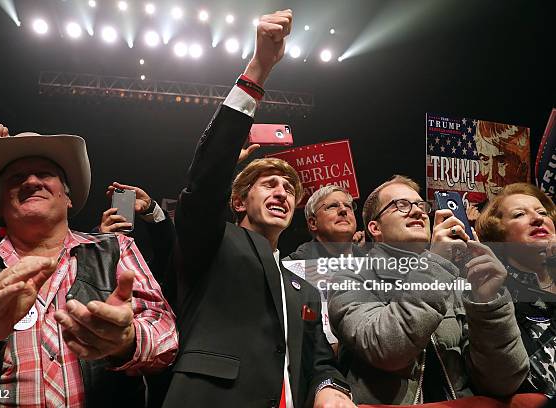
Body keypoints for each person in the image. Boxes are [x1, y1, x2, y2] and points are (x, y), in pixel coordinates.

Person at [163, 10, 355, 408]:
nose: (283, 193)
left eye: (289, 188)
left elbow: (320, 362)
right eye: (269, 184)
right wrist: (259, 69)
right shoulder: (211, 242)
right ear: (237, 201)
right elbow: (205, 181)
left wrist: (330, 389)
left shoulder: (303, 288)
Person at [0, 133, 178, 406]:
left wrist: (126, 341)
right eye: (16, 178)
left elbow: (166, 338)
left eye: (45, 174)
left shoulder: (117, 248)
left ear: (68, 198)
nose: (31, 181)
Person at [328, 175, 528, 404]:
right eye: (400, 205)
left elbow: (504, 381)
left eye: (421, 205)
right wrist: (434, 266)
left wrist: (488, 302)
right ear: (375, 227)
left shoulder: (454, 281)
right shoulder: (348, 278)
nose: (418, 212)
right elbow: (386, 348)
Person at [476, 182, 556, 396]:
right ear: (499, 236)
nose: (538, 218)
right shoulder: (493, 292)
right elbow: (500, 379)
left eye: (542, 212)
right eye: (519, 214)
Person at [283, 186, 364, 348]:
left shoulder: (375, 266)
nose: (343, 210)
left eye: (348, 206)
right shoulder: (291, 271)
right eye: (332, 206)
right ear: (313, 223)